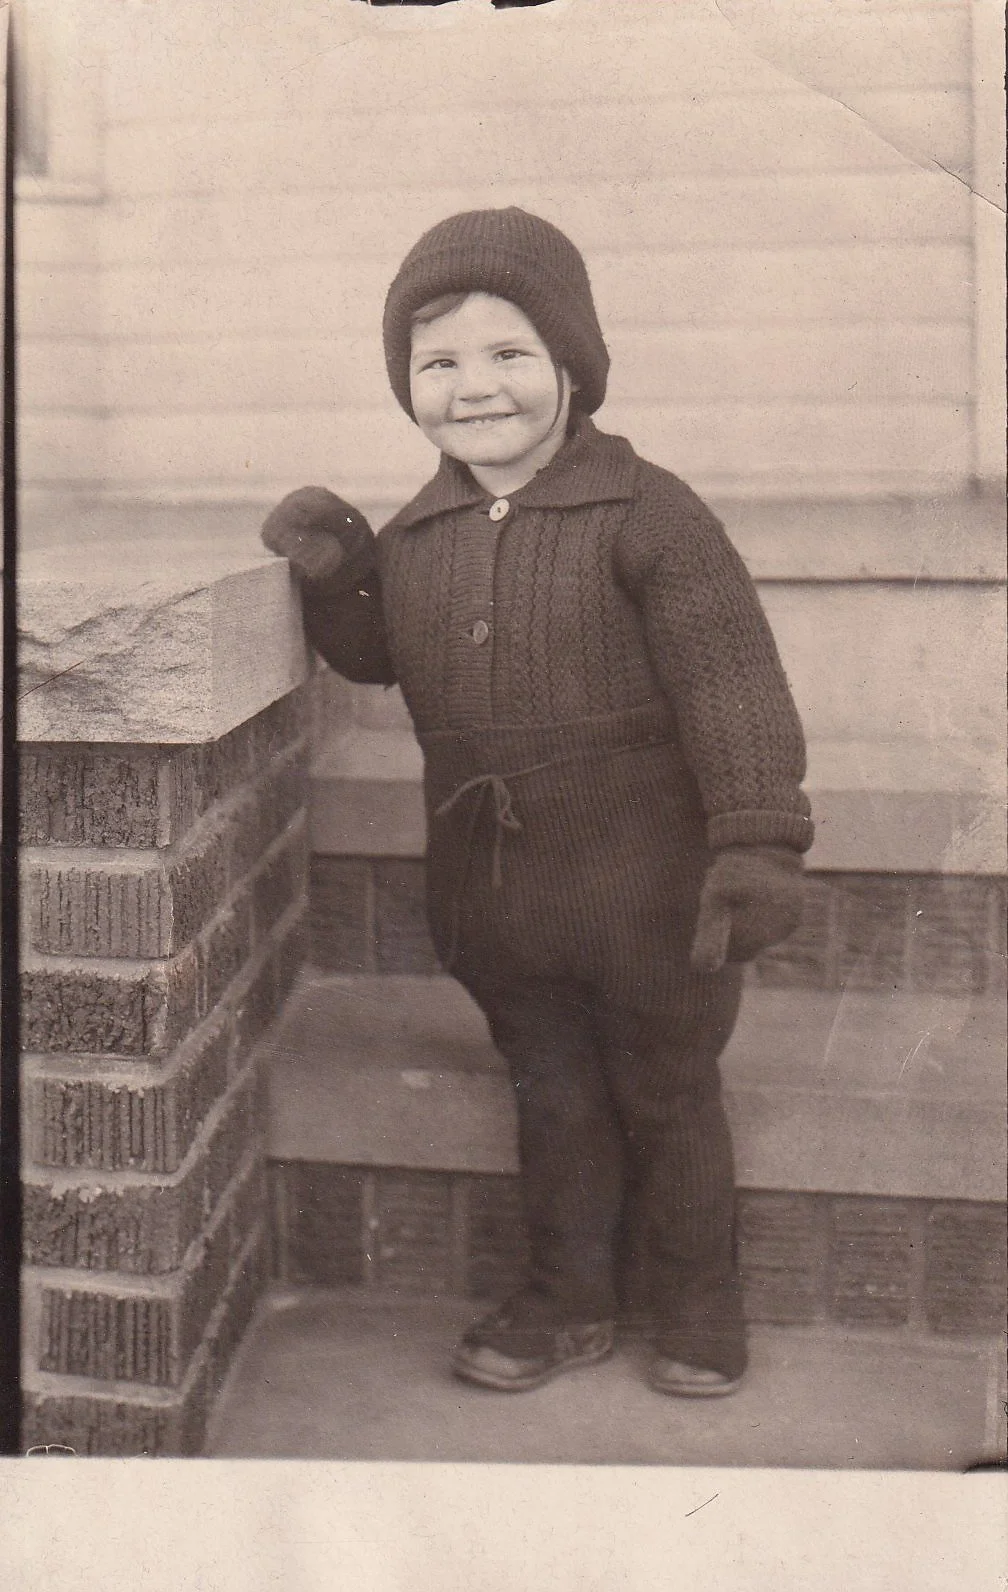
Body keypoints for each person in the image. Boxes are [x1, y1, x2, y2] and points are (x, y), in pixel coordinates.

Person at [261, 208, 813, 1398]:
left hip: (653, 897)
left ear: (572, 364)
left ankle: (698, 1305)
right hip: (502, 898)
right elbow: (383, 652)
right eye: (439, 362)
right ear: (407, 385)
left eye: (509, 354)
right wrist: (340, 570)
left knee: (668, 1093)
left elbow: (733, 681)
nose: (476, 388)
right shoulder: (423, 530)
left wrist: (759, 838)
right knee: (554, 1096)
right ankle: (568, 1297)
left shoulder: (651, 515)